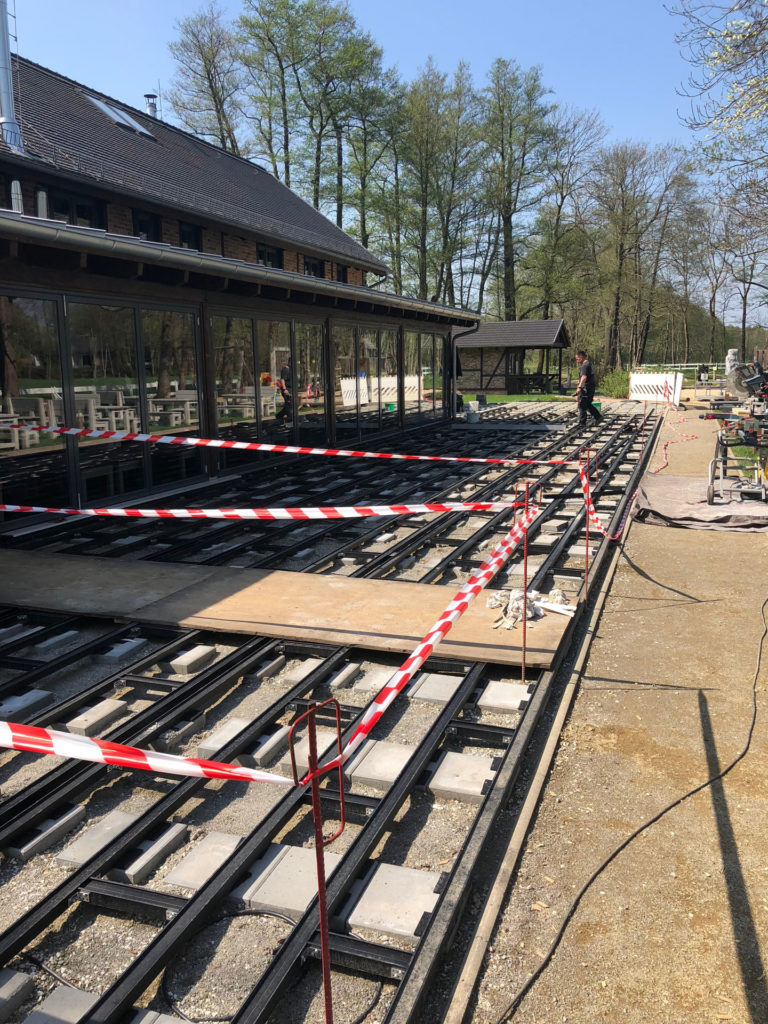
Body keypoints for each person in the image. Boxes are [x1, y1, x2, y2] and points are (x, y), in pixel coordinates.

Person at [573, 349, 602, 426]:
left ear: (581, 357)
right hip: (591, 387)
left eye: (577, 359)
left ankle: (582, 423)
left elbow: (584, 377)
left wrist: (579, 387)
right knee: (588, 404)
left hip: (586, 388)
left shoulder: (584, 366)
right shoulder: (590, 364)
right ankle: (598, 417)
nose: (577, 361)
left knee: (581, 405)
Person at [277, 356, 293, 425]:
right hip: (287, 389)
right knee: (289, 403)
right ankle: (290, 418)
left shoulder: (292, 370)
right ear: (289, 362)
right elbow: (282, 379)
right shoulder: (285, 369)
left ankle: (279, 416)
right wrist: (284, 389)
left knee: (289, 404)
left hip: (291, 389)